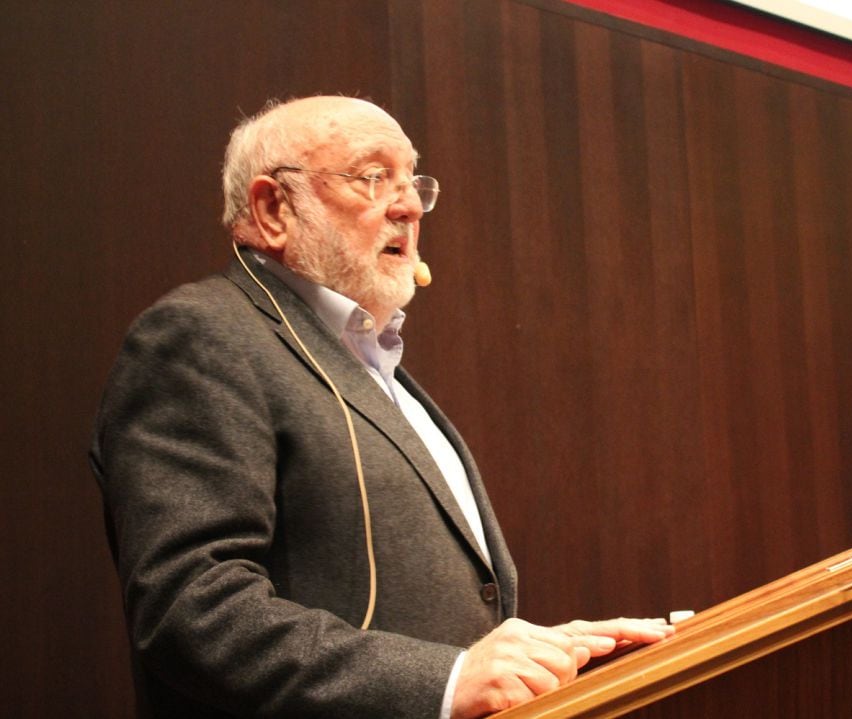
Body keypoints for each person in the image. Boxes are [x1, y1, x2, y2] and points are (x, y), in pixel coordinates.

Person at [91, 95, 673, 719]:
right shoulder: (204, 336)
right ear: (271, 209)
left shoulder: (372, 363)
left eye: (414, 182)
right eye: (372, 178)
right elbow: (190, 611)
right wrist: (443, 681)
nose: (408, 206)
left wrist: (548, 661)